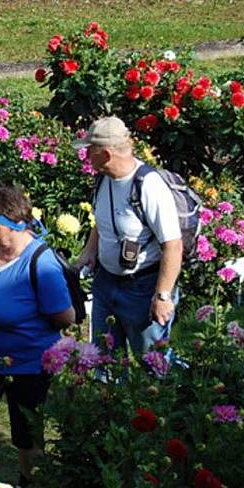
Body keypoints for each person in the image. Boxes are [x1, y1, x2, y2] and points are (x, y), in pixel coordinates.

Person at [0, 186, 75, 488]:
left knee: (26, 434)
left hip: (27, 365)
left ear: (17, 226)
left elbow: (66, 317)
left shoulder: (42, 263)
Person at [74, 116, 182, 358]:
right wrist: (90, 252)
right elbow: (102, 222)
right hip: (106, 283)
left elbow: (173, 245)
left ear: (107, 154)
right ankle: (109, 395)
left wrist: (162, 296)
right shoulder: (103, 178)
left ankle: (179, 393)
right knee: (104, 359)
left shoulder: (149, 186)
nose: (86, 155)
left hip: (143, 289)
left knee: (153, 363)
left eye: (90, 150)